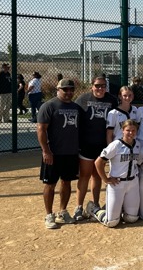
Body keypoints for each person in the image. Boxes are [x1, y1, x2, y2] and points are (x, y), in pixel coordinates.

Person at [37, 79, 81, 229]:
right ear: (58, 89)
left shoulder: (76, 108)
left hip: (71, 152)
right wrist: (46, 151)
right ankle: (49, 215)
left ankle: (62, 212)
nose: (68, 92)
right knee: (50, 184)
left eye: (71, 90)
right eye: (65, 89)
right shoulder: (49, 106)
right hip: (53, 153)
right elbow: (41, 129)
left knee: (67, 182)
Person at [74, 76, 118, 221]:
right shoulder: (83, 99)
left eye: (103, 86)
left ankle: (95, 204)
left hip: (102, 145)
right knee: (84, 175)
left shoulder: (111, 100)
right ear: (92, 86)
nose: (100, 89)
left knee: (97, 175)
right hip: (86, 144)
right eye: (97, 86)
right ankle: (79, 207)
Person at [87, 119, 142, 228]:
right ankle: (94, 209)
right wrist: (106, 180)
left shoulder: (137, 144)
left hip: (133, 183)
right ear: (122, 130)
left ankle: (119, 209)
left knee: (132, 218)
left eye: (133, 130)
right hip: (117, 183)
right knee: (111, 222)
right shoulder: (116, 144)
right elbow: (98, 162)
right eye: (128, 130)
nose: (131, 133)